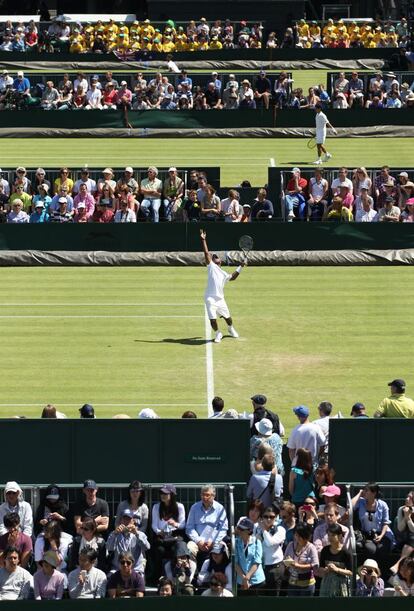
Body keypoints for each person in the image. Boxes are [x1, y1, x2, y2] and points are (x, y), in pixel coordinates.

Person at [200, 229, 244, 343]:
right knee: (212, 319)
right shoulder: (211, 267)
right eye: (214, 258)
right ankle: (218, 333)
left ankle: (230, 329)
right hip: (210, 298)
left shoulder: (224, 273)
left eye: (217, 258)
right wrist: (203, 240)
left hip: (220, 299)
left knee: (228, 319)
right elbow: (206, 253)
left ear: (220, 262)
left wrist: (241, 267)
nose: (216, 259)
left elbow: (233, 277)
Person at [351, 482, 394, 566]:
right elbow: (350, 505)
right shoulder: (361, 502)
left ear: (374, 493)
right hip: (367, 535)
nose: (364, 492)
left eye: (366, 490)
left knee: (382, 549)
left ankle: (381, 573)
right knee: (371, 550)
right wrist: (359, 493)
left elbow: (386, 523)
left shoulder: (382, 505)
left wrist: (381, 536)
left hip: (381, 534)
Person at [185, 485, 228, 562]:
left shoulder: (220, 508)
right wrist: (198, 541)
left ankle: (218, 572)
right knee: (189, 548)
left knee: (222, 547)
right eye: (202, 494)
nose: (204, 497)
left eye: (207, 495)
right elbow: (189, 528)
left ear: (213, 496)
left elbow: (223, 528)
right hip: (198, 541)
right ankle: (193, 573)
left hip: (215, 541)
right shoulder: (194, 507)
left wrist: (213, 541)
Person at [151, 484, 185, 579]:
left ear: (172, 495)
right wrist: (158, 531)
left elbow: (182, 525)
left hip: (175, 535)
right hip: (161, 536)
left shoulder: (180, 506)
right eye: (161, 493)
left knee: (177, 548)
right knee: (159, 550)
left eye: (165, 493)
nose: (162, 495)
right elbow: (154, 524)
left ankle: (176, 576)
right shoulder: (156, 507)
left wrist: (175, 524)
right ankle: (156, 577)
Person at [106, 509, 150, 575]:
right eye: (124, 519)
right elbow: (109, 548)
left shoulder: (140, 534)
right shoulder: (114, 534)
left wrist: (136, 533)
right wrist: (115, 534)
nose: (126, 522)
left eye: (129, 519)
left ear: (133, 521)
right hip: (118, 569)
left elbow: (147, 547)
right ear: (121, 521)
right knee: (108, 580)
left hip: (135, 569)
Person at [256, 505, 286, 596]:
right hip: (260, 567)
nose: (268, 519)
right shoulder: (257, 529)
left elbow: (270, 543)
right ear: (261, 518)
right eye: (266, 517)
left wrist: (264, 530)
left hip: (275, 568)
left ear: (276, 517)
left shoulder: (280, 530)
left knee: (273, 597)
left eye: (272, 517)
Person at [284, 523, 319, 596]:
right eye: (296, 535)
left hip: (307, 584)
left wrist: (299, 566)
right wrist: (287, 563)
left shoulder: (311, 547)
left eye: (300, 536)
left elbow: (315, 564)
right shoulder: (291, 545)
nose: (297, 538)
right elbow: (285, 558)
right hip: (292, 582)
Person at [318, 524, 352, 597]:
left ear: (339, 536)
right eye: (329, 535)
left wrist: (337, 569)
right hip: (326, 584)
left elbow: (350, 572)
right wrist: (325, 570)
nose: (330, 538)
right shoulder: (325, 550)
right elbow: (320, 568)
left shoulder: (345, 552)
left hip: (341, 585)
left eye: (333, 535)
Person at [235, 517, 265, 595]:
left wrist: (247, 577)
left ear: (249, 531)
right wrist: (244, 578)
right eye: (239, 528)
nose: (239, 531)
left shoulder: (257, 542)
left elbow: (257, 562)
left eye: (242, 529)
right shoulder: (236, 542)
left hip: (257, 582)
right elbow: (235, 562)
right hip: (241, 581)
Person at [390, 491, 414, 575]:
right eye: (407, 497)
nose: (407, 499)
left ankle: (398, 565)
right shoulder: (401, 509)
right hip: (403, 539)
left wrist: (409, 518)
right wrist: (406, 516)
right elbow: (400, 528)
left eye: (410, 498)